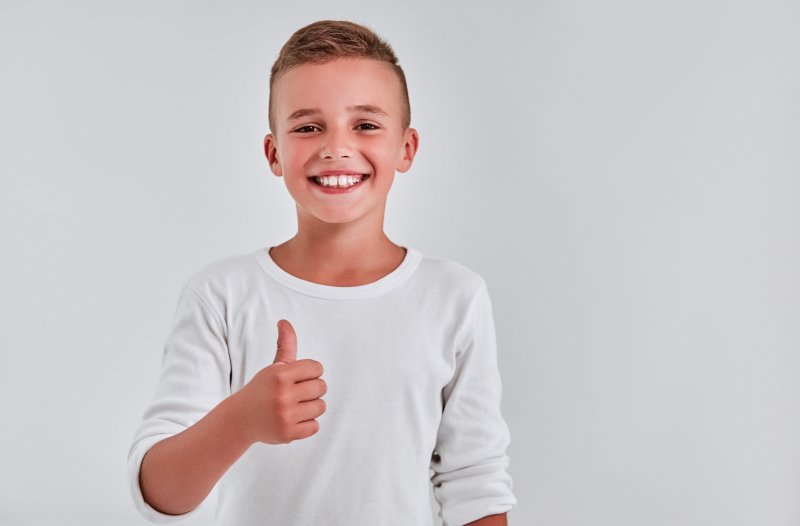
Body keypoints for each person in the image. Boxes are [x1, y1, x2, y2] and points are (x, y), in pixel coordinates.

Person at [127, 19, 516, 526]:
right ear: (274, 153)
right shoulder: (220, 295)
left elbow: (475, 482)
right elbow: (158, 493)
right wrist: (240, 420)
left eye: (366, 124)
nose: (336, 147)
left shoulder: (455, 296)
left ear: (407, 148)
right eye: (308, 126)